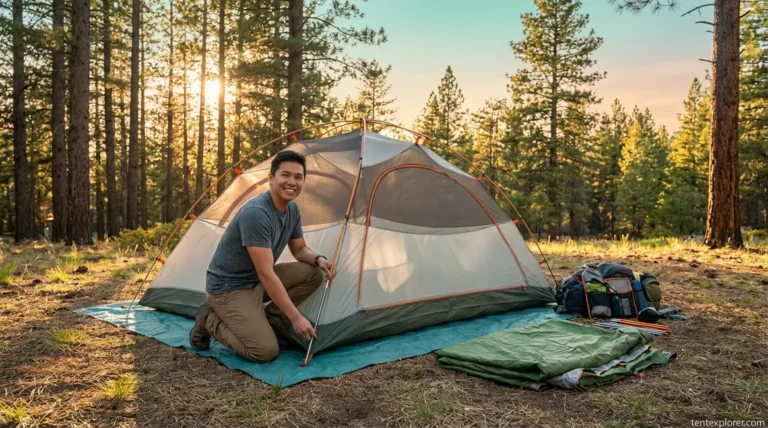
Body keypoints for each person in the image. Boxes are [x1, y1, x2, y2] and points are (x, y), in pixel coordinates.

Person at [188, 150, 331, 363]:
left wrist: (319, 259)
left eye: (298, 177)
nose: (292, 182)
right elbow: (266, 273)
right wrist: (296, 318)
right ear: (271, 178)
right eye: (286, 175)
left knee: (313, 274)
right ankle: (208, 318)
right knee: (264, 351)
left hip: (255, 280)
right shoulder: (256, 214)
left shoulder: (292, 209)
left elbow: (300, 250)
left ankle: (271, 322)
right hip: (229, 289)